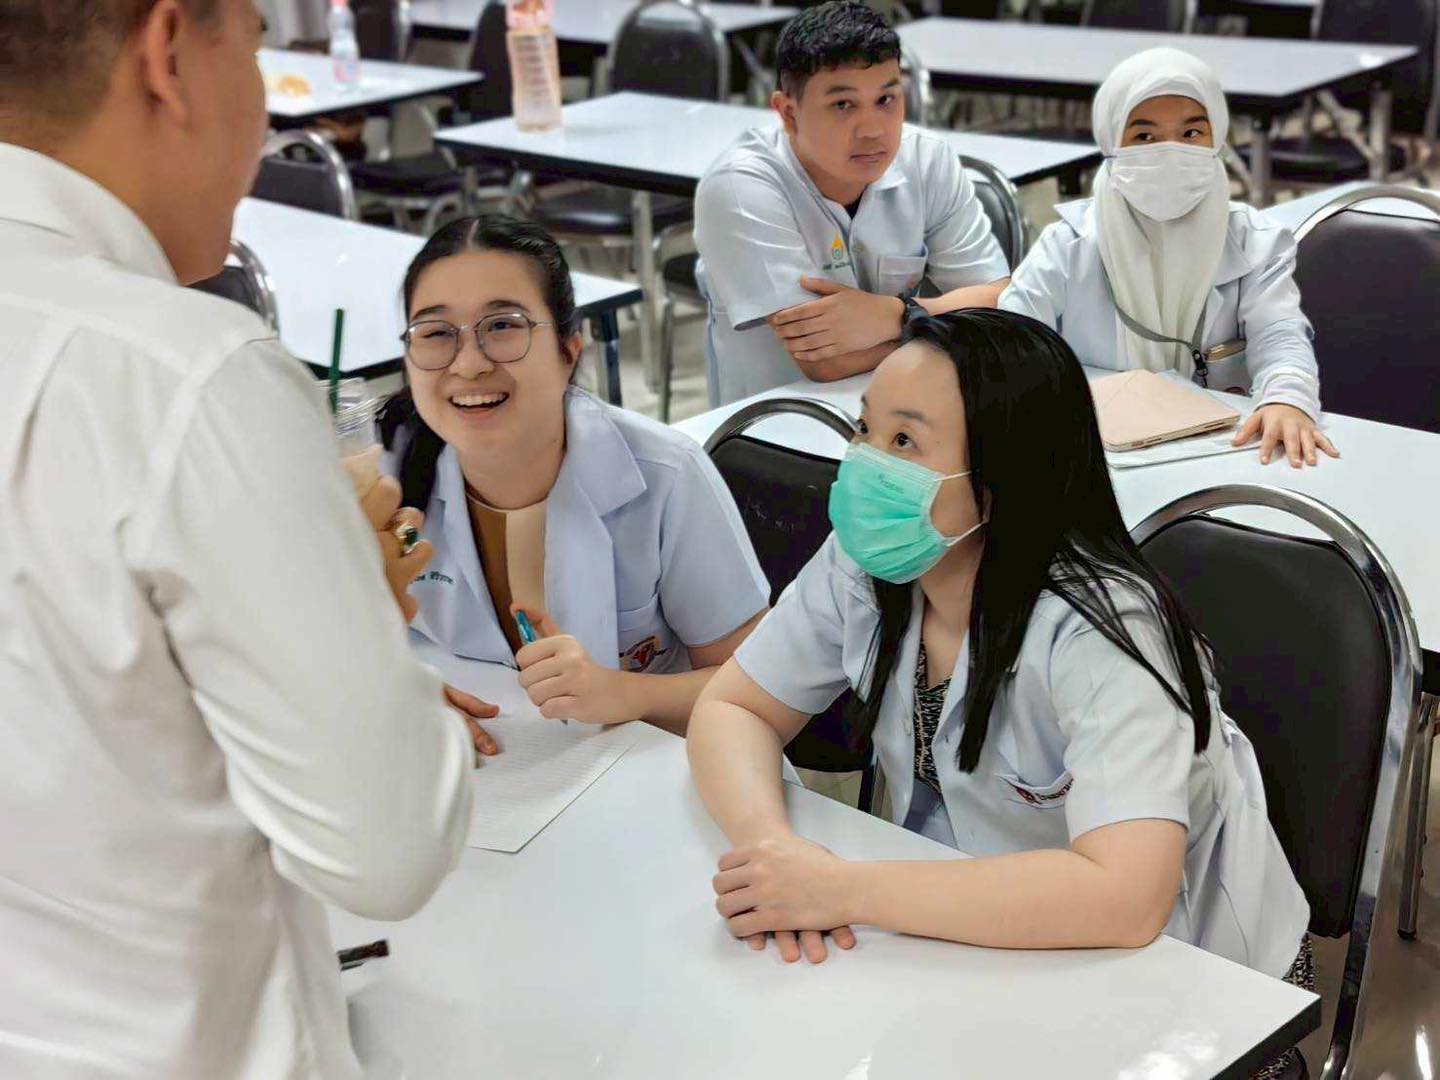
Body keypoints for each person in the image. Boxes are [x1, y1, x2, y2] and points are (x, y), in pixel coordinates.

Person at [0, 2, 474, 1077]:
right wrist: (349, 608)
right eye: (256, 49)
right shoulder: (185, 371)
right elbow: (386, 843)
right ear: (170, 52)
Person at [686, 310, 1311, 1073]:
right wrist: (773, 848)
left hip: (1191, 980)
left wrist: (844, 889)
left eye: (905, 443)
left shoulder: (1104, 631)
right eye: (866, 429)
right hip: (976, 933)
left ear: (1001, 481)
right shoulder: (873, 563)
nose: (864, 465)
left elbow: (1126, 896)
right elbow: (736, 707)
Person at [380, 215, 770, 743]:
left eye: (502, 326)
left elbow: (762, 687)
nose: (468, 364)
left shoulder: (665, 477)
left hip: (652, 760)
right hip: (492, 763)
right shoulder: (385, 478)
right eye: (435, 333)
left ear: (569, 348)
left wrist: (625, 693)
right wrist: (410, 688)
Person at [1000, 47, 1336, 469]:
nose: (1170, 153)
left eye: (1192, 133)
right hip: (1092, 454)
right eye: (1144, 137)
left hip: (1227, 455)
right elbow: (1010, 347)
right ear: (1111, 144)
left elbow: (1280, 334)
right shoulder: (1066, 247)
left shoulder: (1255, 241)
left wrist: (1287, 397)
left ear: (1217, 139)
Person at [694, 1, 1011, 405]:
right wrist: (943, 324)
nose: (873, 130)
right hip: (780, 421)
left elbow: (999, 302)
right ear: (788, 113)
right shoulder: (739, 186)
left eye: (886, 99)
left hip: (910, 409)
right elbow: (825, 362)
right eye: (843, 105)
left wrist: (897, 313)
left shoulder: (927, 159)